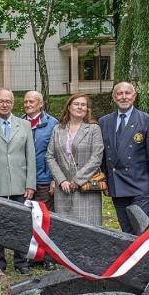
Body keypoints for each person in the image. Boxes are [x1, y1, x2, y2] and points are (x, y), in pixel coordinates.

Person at [0, 88, 35, 273]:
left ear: (13, 104)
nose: (4, 104)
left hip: (20, 183)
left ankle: (21, 262)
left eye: (8, 101)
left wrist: (30, 183)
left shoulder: (25, 125)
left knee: (20, 223)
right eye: (1, 101)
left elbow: (30, 156)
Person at [98, 81, 149, 233]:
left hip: (140, 184)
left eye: (127, 93)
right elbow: (104, 155)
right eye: (119, 93)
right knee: (126, 230)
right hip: (116, 184)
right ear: (114, 97)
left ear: (134, 96)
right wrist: (105, 181)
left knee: (142, 229)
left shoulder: (147, 120)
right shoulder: (104, 121)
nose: (124, 97)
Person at [46, 93, 104, 226]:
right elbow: (50, 156)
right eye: (76, 104)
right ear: (69, 107)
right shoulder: (57, 129)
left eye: (83, 105)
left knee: (88, 229)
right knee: (65, 229)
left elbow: (96, 158)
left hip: (85, 188)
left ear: (87, 109)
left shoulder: (93, 129)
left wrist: (77, 180)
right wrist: (61, 180)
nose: (80, 107)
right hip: (63, 190)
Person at [22, 91, 58, 211]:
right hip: (23, 181)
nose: (27, 104)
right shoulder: (19, 123)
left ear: (41, 103)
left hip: (44, 181)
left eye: (31, 101)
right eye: (25, 102)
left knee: (43, 216)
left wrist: (54, 179)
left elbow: (57, 153)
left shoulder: (52, 124)